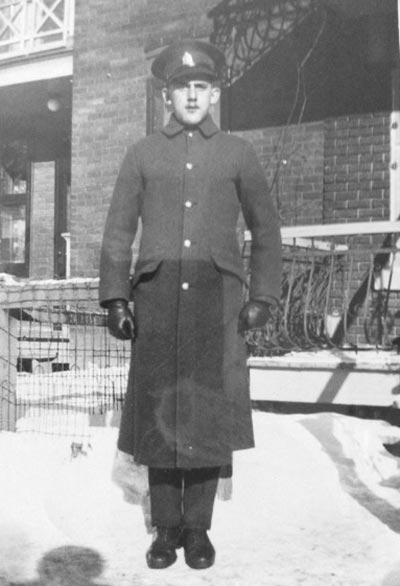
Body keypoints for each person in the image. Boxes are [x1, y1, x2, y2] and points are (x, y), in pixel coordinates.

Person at [99, 39, 282, 570]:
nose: (193, 96)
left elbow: (267, 230)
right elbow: (117, 233)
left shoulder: (237, 153)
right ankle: (165, 530)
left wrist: (262, 295)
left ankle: (198, 529)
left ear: (216, 93)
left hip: (218, 300)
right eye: (183, 88)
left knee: (207, 413)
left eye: (202, 87)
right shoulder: (142, 154)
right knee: (161, 413)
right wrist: (116, 296)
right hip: (156, 299)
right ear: (166, 97)